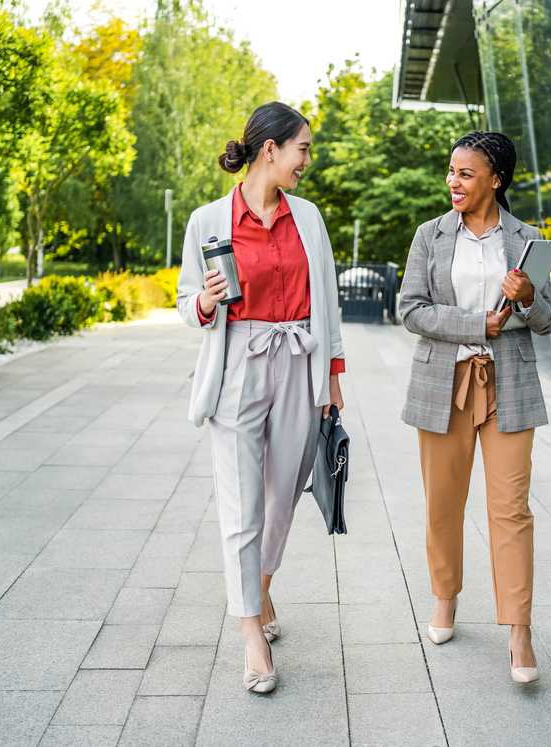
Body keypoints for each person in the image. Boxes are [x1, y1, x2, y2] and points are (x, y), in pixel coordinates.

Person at [176, 101, 346, 694]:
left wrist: (333, 377)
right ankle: (251, 630)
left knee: (282, 499)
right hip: (239, 367)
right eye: (302, 148)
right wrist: (205, 302)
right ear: (269, 149)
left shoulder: (310, 218)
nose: (307, 160)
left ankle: (262, 586)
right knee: (242, 503)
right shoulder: (207, 220)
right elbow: (187, 301)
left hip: (299, 360)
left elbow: (327, 297)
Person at [398, 131, 551, 684]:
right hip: (444, 383)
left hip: (509, 385)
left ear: (496, 178)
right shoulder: (430, 236)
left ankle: (519, 630)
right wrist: (476, 324)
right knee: (443, 502)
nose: (454, 182)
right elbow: (411, 309)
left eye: (465, 173)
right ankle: (444, 596)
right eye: (451, 171)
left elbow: (547, 320)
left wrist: (530, 297)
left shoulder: (528, 239)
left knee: (511, 510)